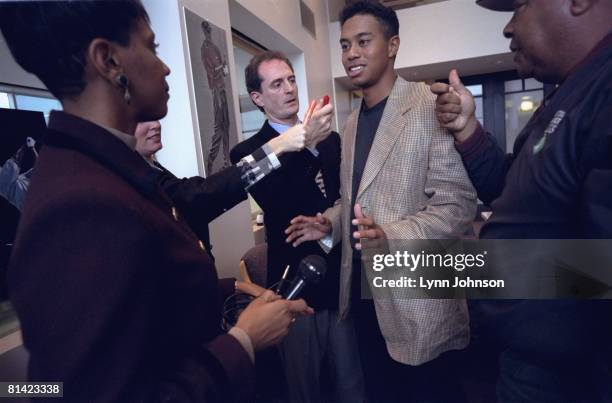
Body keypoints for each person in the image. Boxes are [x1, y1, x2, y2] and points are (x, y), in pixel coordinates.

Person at [0, 1, 333, 401]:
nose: (167, 66)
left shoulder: (115, 167)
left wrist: (232, 288)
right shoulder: (78, 202)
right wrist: (243, 340)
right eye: (153, 47)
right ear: (109, 61)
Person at [286, 2, 476, 402]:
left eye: (362, 41)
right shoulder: (352, 122)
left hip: (416, 301)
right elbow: (353, 198)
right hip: (360, 297)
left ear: (392, 45)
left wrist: (389, 234)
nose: (351, 53)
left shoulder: (430, 106)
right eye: (344, 45)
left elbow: (457, 206)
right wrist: (331, 222)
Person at [431, 0, 612, 401]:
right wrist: (466, 128)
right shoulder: (567, 95)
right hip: (528, 364)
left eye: (520, 5)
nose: (508, 28)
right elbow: (511, 187)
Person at [230, 51, 364, 403]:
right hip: (293, 287)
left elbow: (343, 200)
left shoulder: (332, 140)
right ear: (258, 98)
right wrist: (308, 146)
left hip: (339, 276)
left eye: (291, 79)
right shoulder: (247, 153)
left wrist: (329, 219)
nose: (290, 88)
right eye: (277, 83)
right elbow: (281, 203)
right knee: (303, 389)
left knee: (352, 384)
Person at [201, 20, 230, 174]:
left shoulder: (215, 47)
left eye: (210, 30)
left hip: (223, 89)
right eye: (207, 30)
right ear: (204, 31)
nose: (209, 33)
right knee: (219, 127)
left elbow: (224, 72)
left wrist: (224, 68)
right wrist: (221, 66)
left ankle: (227, 161)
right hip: (216, 91)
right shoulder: (205, 49)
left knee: (227, 126)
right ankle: (211, 161)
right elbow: (211, 71)